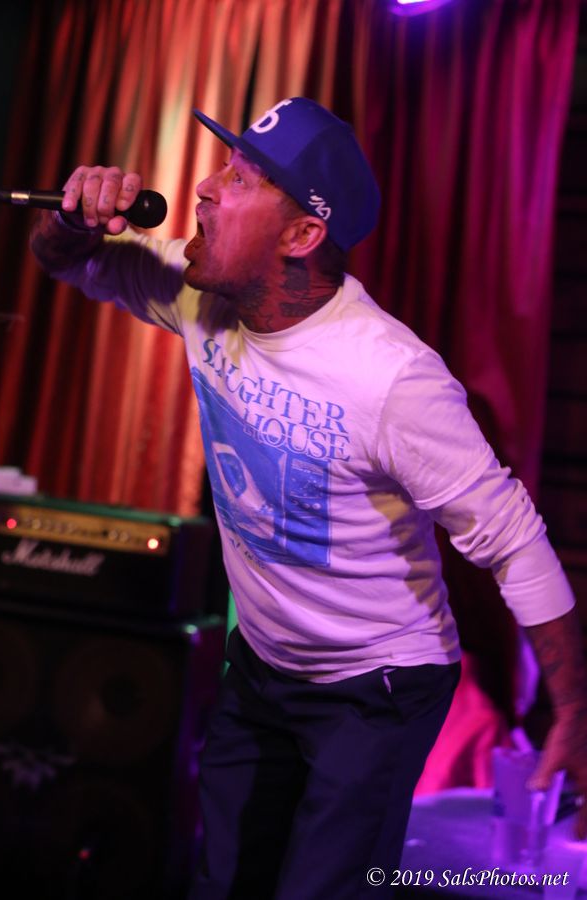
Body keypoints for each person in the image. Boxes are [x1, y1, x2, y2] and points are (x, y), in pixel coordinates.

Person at [30, 97, 587, 899]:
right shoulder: (202, 299)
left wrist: (573, 709)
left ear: (301, 235)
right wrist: (74, 217)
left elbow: (514, 540)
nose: (205, 188)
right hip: (265, 665)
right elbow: (66, 262)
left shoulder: (391, 377)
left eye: (241, 180)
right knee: (223, 881)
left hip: (377, 685)